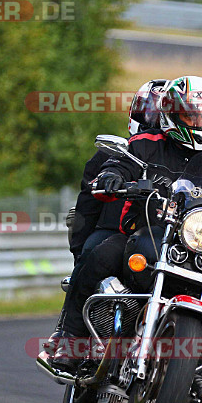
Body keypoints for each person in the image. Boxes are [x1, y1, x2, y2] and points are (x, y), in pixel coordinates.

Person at [53, 76, 202, 403]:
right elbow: (121, 162)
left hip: (194, 246)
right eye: (190, 115)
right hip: (144, 234)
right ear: (171, 113)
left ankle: (192, 371)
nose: (197, 122)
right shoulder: (146, 143)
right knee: (98, 257)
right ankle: (69, 340)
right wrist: (114, 177)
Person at [46, 80, 167, 348]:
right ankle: (66, 335)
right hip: (114, 232)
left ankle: (190, 371)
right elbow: (86, 208)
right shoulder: (113, 155)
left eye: (160, 115)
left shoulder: (187, 159)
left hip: (164, 240)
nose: (153, 120)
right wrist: (79, 252)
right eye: (148, 113)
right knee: (92, 252)